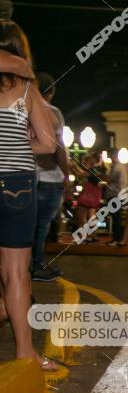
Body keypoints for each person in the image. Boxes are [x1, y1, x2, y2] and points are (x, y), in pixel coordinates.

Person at [0, 21, 59, 371]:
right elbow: (49, 143)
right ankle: (25, 352)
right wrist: (21, 146)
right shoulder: (26, 88)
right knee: (17, 273)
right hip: (17, 183)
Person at [31, 72, 69, 281]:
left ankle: (26, 264)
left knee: (29, 224)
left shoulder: (24, 110)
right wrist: (67, 174)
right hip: (49, 178)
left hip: (28, 175)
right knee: (42, 225)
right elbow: (58, 148)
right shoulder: (52, 112)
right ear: (51, 92)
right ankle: (36, 265)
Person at [104, 148, 128, 247]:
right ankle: (116, 238)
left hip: (115, 194)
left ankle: (117, 238)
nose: (110, 158)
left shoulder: (116, 167)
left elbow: (109, 179)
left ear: (114, 155)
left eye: (111, 155)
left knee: (116, 217)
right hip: (119, 194)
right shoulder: (121, 166)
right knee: (116, 217)